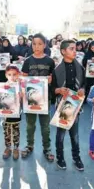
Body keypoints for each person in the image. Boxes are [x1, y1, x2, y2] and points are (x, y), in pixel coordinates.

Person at [51, 40, 85, 170]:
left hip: (75, 106)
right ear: (63, 51)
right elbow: (52, 88)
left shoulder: (80, 68)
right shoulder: (57, 70)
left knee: (74, 134)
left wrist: (82, 90)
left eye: (75, 48)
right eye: (71, 49)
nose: (75, 51)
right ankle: (60, 158)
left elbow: (83, 84)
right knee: (60, 134)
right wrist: (59, 90)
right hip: (62, 105)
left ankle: (77, 158)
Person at [21, 33, 55, 162]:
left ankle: (47, 148)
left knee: (45, 126)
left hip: (45, 99)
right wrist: (23, 90)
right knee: (30, 125)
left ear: (45, 45)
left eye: (40, 44)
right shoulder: (28, 61)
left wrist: (51, 80)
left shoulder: (50, 61)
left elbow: (54, 79)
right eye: (34, 44)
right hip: (30, 99)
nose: (37, 46)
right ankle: (29, 146)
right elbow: (23, 78)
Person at [1, 65, 22, 160]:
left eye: (14, 74)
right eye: (9, 74)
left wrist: (21, 96)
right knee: (6, 132)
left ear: (18, 75)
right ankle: (8, 148)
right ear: (6, 75)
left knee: (16, 131)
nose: (12, 77)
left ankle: (16, 148)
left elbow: (23, 101)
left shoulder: (20, 86)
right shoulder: (2, 86)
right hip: (5, 114)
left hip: (16, 113)